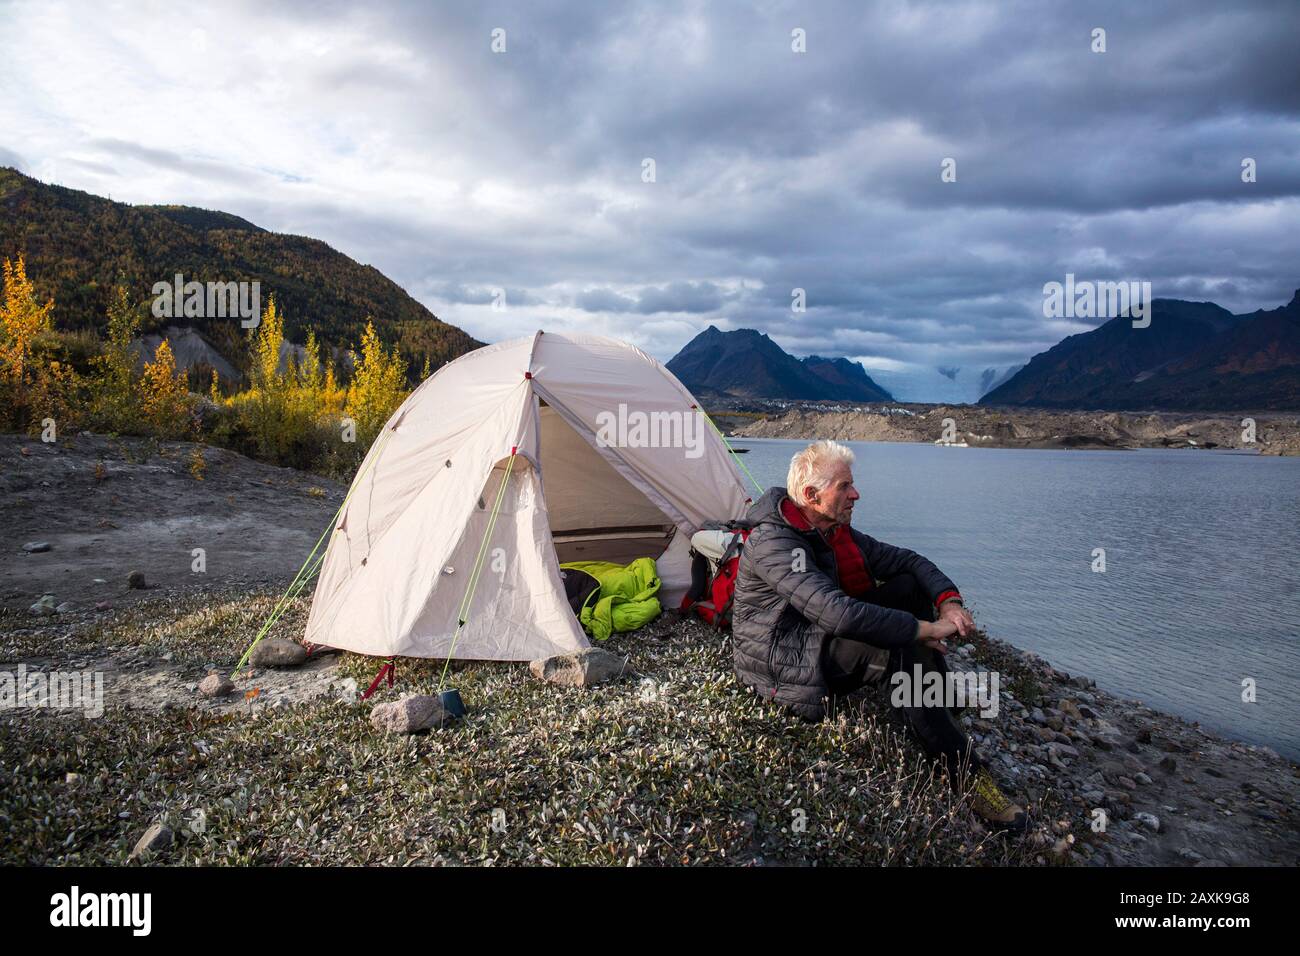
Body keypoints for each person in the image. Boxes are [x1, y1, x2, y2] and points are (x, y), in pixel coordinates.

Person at [731, 439, 1027, 832]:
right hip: (784, 659)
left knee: (908, 585)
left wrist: (949, 602)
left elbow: (909, 561)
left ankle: (929, 696)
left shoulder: (832, 532)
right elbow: (835, 612)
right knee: (902, 645)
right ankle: (965, 776)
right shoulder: (774, 543)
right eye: (845, 486)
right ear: (811, 494)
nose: (856, 493)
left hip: (820, 636)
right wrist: (924, 629)